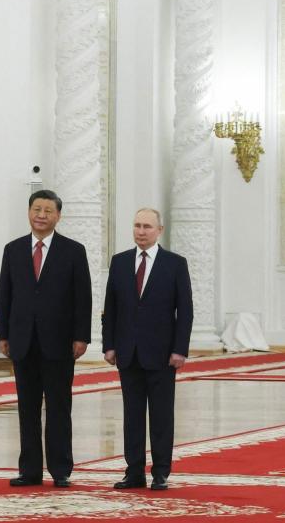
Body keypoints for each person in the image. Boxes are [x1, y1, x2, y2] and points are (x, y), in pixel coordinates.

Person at [0, 189, 92, 488]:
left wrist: (82, 337)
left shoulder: (73, 251)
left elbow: (83, 297)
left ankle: (61, 469)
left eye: (48, 211)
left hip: (60, 342)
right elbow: (5, 295)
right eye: (37, 209)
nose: (41, 215)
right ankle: (30, 470)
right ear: (28, 212)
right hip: (22, 340)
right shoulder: (13, 250)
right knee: (27, 408)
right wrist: (3, 334)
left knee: (59, 407)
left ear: (58, 216)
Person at [102, 208, 192, 491]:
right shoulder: (119, 262)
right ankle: (134, 471)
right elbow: (111, 308)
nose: (141, 231)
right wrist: (109, 345)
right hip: (128, 352)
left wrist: (180, 349)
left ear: (159, 230)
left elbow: (185, 310)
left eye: (147, 227)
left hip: (163, 353)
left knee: (161, 415)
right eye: (137, 225)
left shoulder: (175, 264)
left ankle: (161, 472)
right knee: (132, 414)